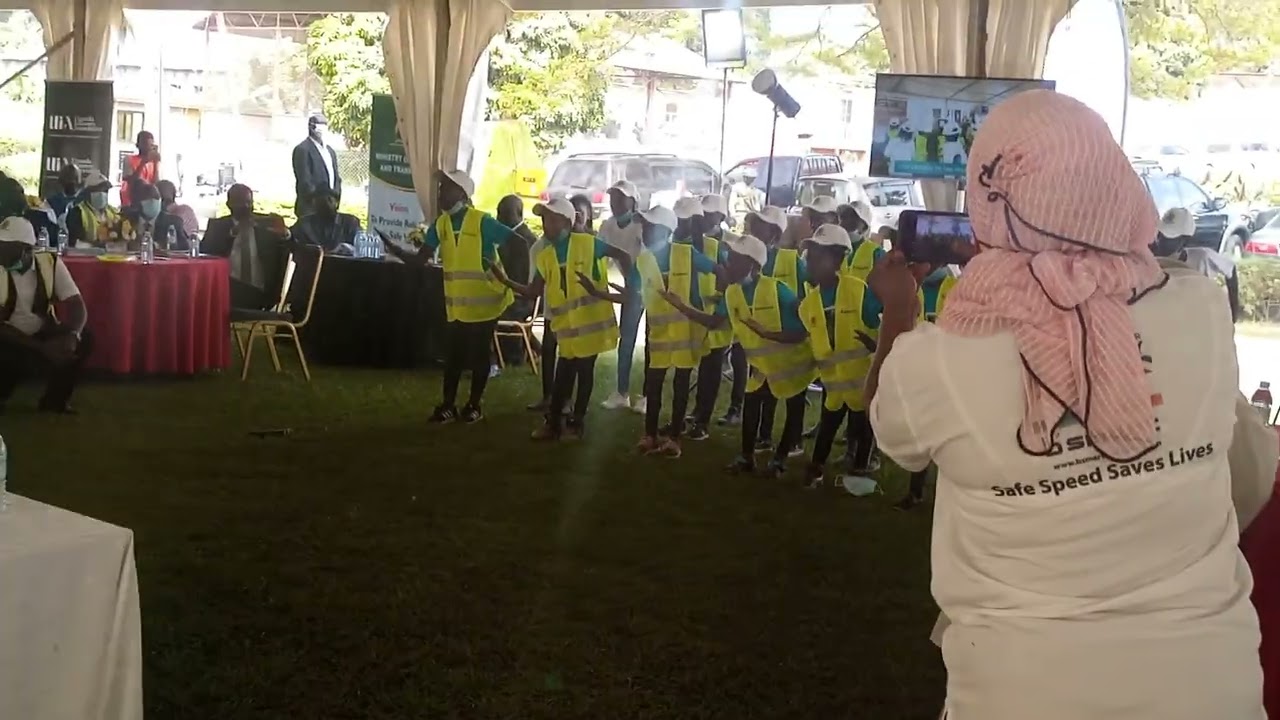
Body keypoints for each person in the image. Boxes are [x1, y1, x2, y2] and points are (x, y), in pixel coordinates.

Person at [866, 90, 1267, 720]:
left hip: (1021, 693)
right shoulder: (1201, 309)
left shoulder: (938, 360)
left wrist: (899, 309)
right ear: (1113, 183)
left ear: (987, 203)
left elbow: (891, 431)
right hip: (1212, 688)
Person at [662, 233, 813, 478]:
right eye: (728, 258)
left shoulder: (777, 290)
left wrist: (769, 334)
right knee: (751, 405)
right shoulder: (733, 293)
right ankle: (747, 458)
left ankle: (780, 460)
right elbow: (715, 322)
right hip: (763, 366)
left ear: (752, 265)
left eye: (733, 259)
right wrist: (680, 306)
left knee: (793, 411)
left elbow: (803, 330)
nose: (727, 264)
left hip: (793, 364)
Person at [488, 197, 630, 440]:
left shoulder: (588, 243)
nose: (546, 225)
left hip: (591, 327)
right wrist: (505, 281)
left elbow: (623, 256)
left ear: (566, 222)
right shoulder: (546, 256)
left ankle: (574, 422)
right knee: (563, 376)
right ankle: (556, 423)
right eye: (544, 220)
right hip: (567, 329)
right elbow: (533, 291)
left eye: (552, 220)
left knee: (582, 373)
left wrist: (629, 286)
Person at [381, 170, 517, 423]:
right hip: (459, 303)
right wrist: (396, 250)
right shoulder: (441, 224)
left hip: (487, 299)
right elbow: (421, 260)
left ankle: (474, 405)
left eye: (446, 188)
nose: (441, 193)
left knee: (479, 353)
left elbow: (518, 241)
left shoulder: (482, 221)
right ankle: (448, 405)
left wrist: (509, 278)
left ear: (462, 194)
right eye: (441, 187)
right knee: (454, 355)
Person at [793, 224, 883, 489]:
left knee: (862, 428)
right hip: (833, 386)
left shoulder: (858, 291)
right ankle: (817, 468)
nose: (809, 262)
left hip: (862, 382)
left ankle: (860, 469)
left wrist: (875, 345)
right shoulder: (808, 305)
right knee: (828, 426)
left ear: (836, 259)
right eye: (809, 256)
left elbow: (882, 326)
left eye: (816, 256)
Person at [627, 200, 716, 456]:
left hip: (685, 333)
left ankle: (675, 437)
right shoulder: (643, 260)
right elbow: (633, 292)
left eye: (649, 226)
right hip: (659, 334)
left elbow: (716, 270)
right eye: (644, 226)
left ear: (665, 230)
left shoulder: (685, 254)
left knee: (680, 386)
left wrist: (714, 301)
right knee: (653, 385)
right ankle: (650, 434)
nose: (644, 231)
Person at [0, 217, 92, 413]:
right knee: (7, 354)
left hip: (41, 332)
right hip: (8, 338)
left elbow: (76, 304)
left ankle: (55, 401)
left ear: (27, 249)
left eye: (6, 247)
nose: (1, 251)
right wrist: (42, 348)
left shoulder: (50, 262)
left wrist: (72, 335)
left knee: (85, 338)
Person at [686, 194, 735, 441]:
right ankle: (697, 411)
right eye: (702, 213)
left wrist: (722, 299)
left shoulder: (728, 244)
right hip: (699, 312)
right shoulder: (694, 240)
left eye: (710, 213)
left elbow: (732, 276)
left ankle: (703, 421)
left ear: (721, 216)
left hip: (718, 313)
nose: (705, 217)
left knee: (712, 367)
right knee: (702, 366)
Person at [597, 180, 647, 413]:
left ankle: (647, 396)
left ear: (633, 202)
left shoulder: (642, 225)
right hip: (631, 284)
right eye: (613, 198)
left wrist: (634, 285)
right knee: (626, 339)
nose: (614, 202)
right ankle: (622, 392)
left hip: (649, 283)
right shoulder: (608, 225)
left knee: (652, 342)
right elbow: (599, 253)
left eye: (620, 198)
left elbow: (646, 260)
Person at [203, 184, 293, 310]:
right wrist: (233, 232)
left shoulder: (265, 224)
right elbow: (205, 254)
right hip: (226, 289)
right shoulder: (217, 226)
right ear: (229, 204)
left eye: (249, 202)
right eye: (240, 202)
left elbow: (289, 249)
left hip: (260, 291)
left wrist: (284, 233)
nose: (246, 206)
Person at [1152, 207, 1241, 321]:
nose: (1160, 240)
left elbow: (1230, 268)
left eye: (1168, 237)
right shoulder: (1150, 259)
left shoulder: (1202, 258)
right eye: (1159, 234)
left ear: (1185, 240)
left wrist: (1233, 312)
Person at [292, 114, 341, 218]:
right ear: (311, 127)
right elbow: (305, 180)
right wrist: (320, 201)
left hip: (331, 207)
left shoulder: (330, 151)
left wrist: (335, 197)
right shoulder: (302, 149)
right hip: (310, 208)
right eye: (319, 125)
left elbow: (336, 177)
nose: (322, 129)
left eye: (324, 125)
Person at [289, 187, 361, 253]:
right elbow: (290, 240)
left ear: (337, 203)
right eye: (319, 200)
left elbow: (360, 246)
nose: (325, 203)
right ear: (313, 203)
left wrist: (345, 248)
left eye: (329, 199)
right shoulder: (304, 223)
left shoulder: (350, 222)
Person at [125, 183, 190, 251]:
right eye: (148, 199)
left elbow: (184, 248)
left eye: (156, 198)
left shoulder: (173, 222)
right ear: (137, 203)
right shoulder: (126, 218)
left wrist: (156, 246)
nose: (153, 202)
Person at [65, 171, 120, 248]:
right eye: (98, 190)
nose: (102, 194)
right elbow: (75, 243)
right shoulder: (78, 212)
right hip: (86, 255)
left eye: (105, 191)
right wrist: (97, 245)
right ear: (88, 192)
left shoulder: (113, 212)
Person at [120, 130, 159, 211]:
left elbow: (155, 184)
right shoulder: (129, 159)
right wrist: (143, 163)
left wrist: (156, 164)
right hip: (130, 203)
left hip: (147, 204)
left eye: (151, 145)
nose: (148, 148)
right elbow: (131, 181)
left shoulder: (152, 163)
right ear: (137, 145)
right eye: (145, 145)